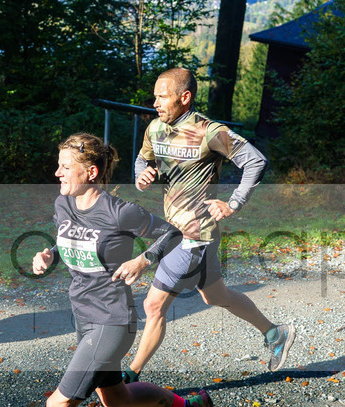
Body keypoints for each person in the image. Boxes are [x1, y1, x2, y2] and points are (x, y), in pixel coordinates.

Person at [0, 133, 216, 407]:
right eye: (59, 165)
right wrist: (49, 255)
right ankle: (191, 406)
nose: (57, 172)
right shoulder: (63, 203)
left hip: (112, 322)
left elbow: (174, 233)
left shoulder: (120, 211)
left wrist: (143, 261)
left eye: (66, 167)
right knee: (115, 397)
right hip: (84, 316)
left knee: (59, 404)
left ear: (90, 172)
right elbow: (69, 242)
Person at [123, 67, 294, 383]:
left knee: (153, 303)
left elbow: (255, 161)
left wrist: (233, 203)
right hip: (174, 231)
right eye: (155, 97)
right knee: (216, 296)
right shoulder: (155, 129)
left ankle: (130, 377)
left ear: (184, 98)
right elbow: (142, 160)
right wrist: (141, 175)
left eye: (163, 97)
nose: (155, 103)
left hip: (194, 236)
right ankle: (275, 333)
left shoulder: (210, 132)